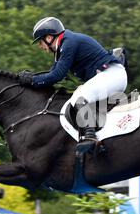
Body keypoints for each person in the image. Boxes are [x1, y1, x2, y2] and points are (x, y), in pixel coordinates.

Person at [18, 17, 128, 152]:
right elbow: (53, 73)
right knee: (78, 94)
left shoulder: (69, 42)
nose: (40, 47)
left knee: (79, 97)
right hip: (109, 76)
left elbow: (56, 76)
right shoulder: (63, 46)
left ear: (48, 38)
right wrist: (32, 79)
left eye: (40, 42)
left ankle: (90, 137)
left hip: (112, 75)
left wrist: (32, 80)